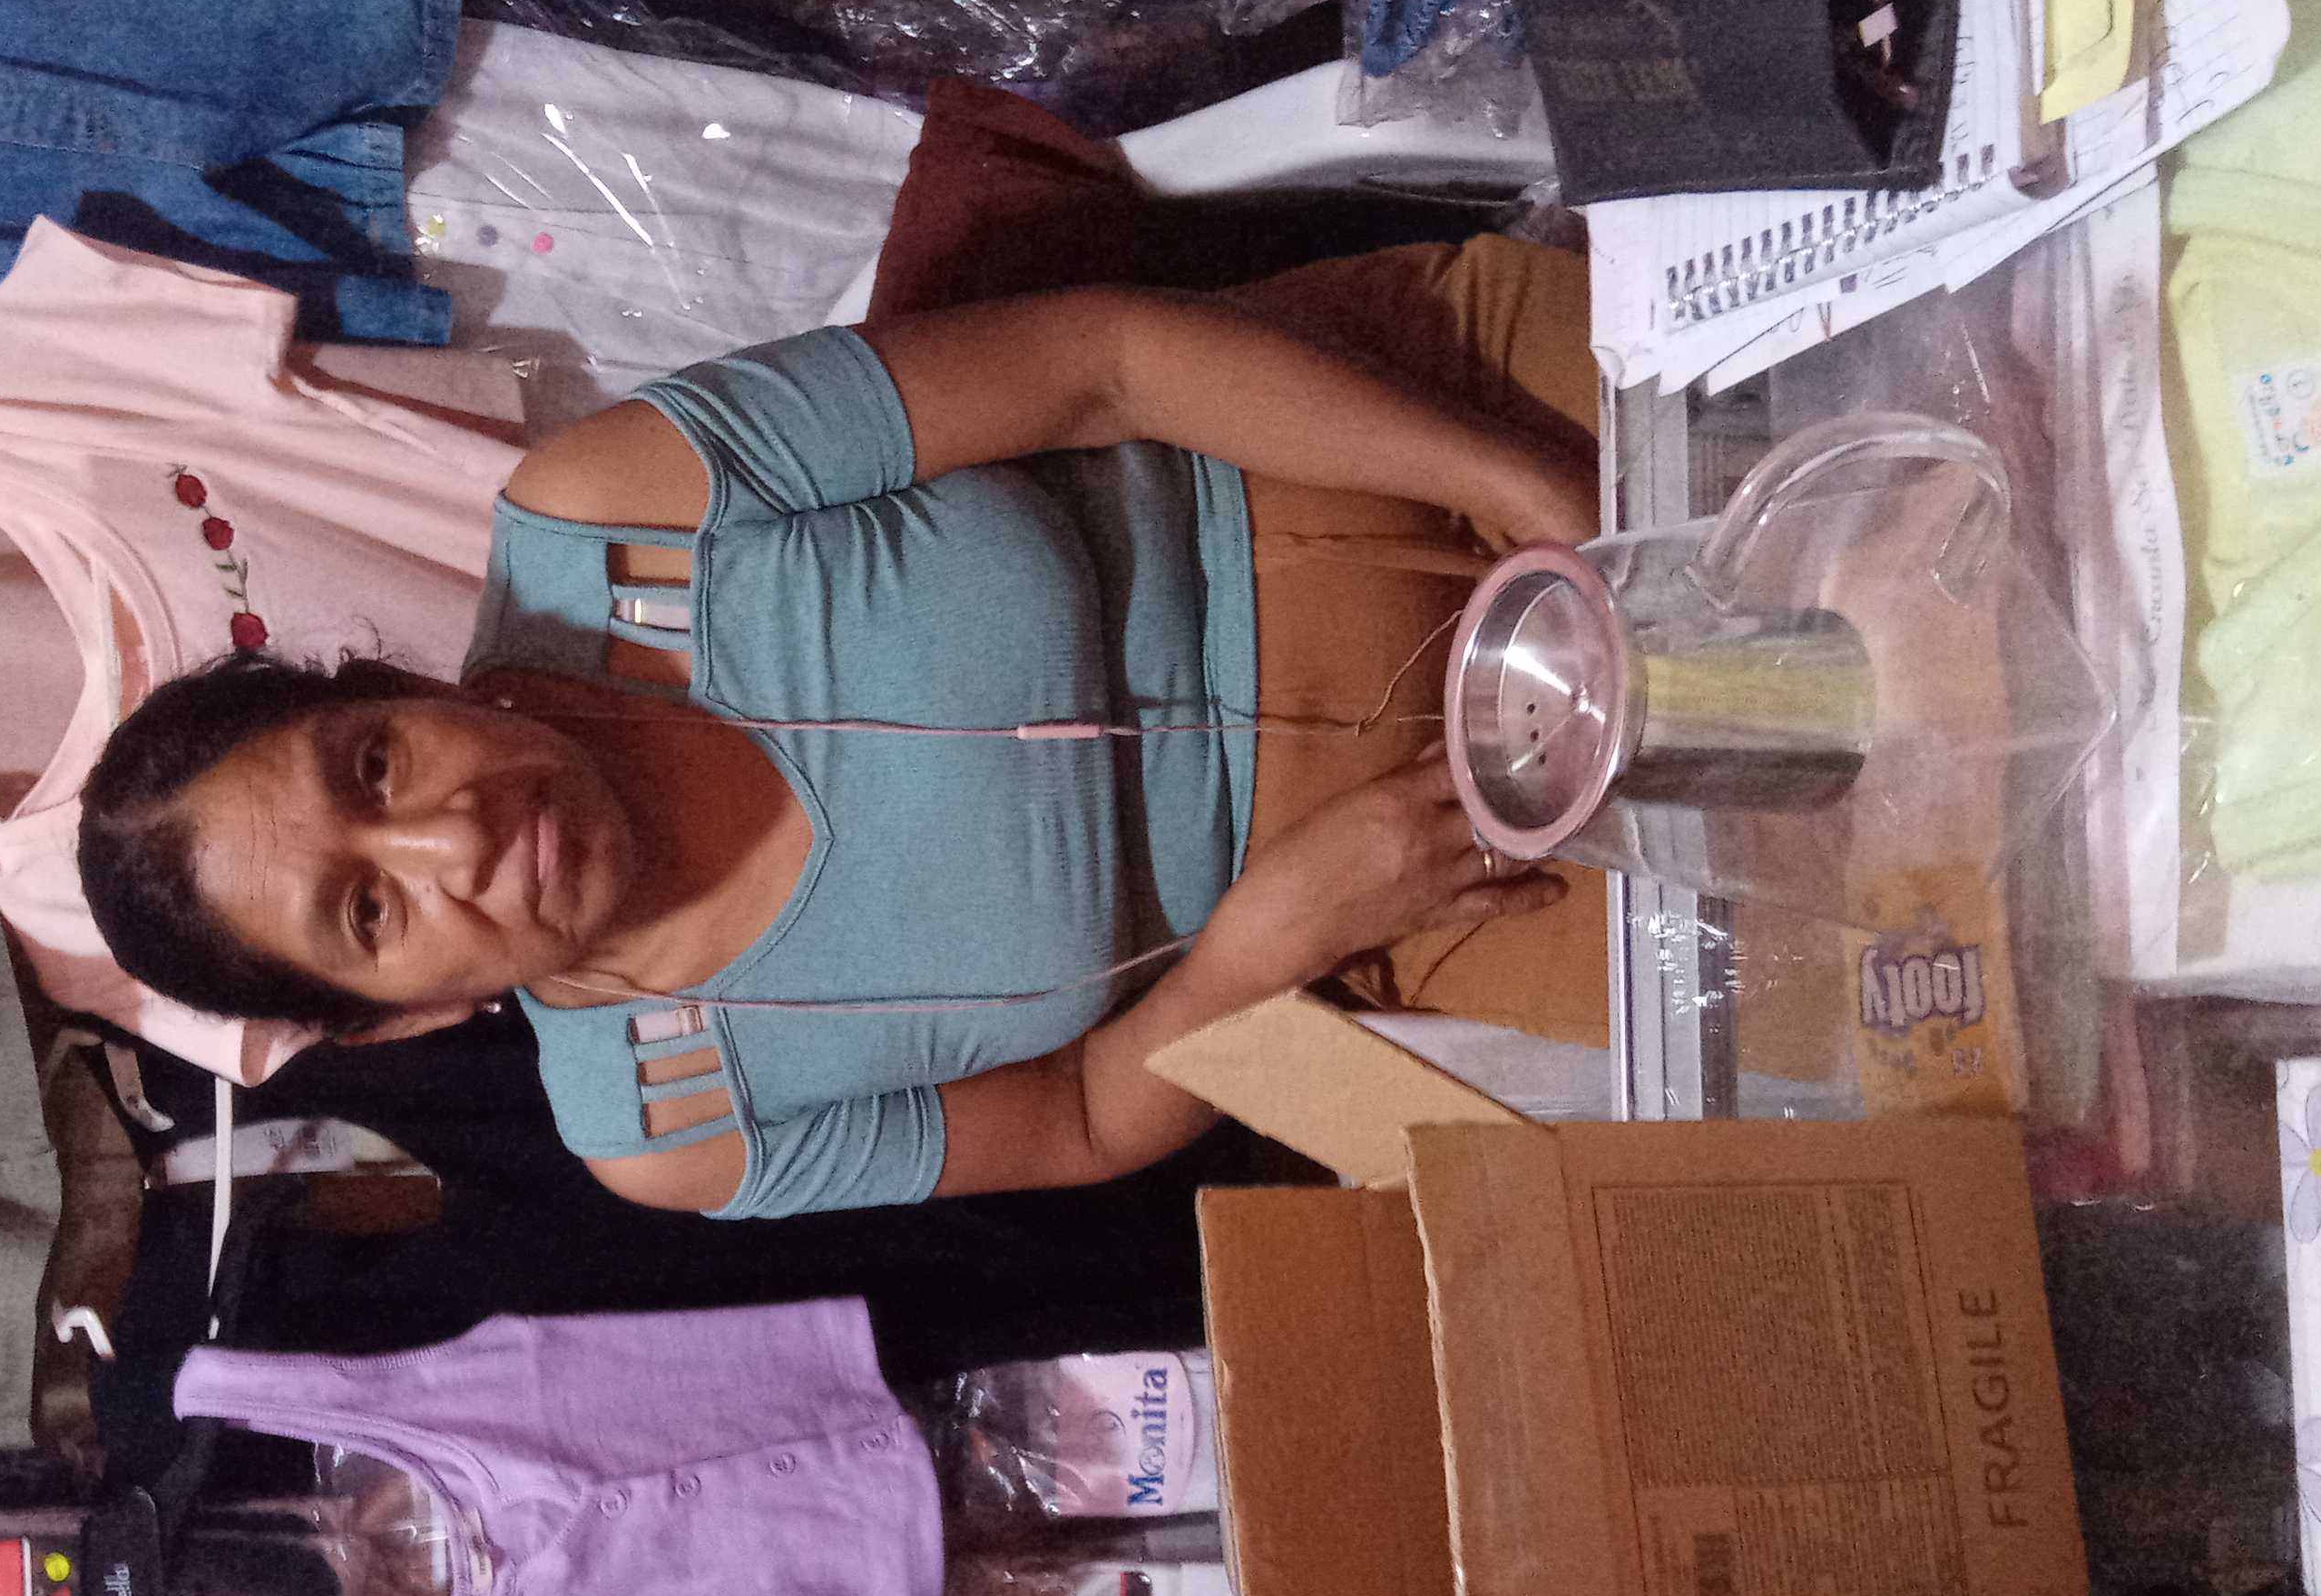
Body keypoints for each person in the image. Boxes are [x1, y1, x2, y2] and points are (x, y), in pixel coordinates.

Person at [79, 237, 1607, 1219]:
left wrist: (1522, 486)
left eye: (376, 764)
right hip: (1436, 870)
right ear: (400, 1021)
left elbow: (1107, 366)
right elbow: (1079, 1119)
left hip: (1408, 426)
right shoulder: (663, 1123)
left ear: (394, 687)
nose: (451, 837)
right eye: (370, 911)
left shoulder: (610, 515)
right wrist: (1272, 943)